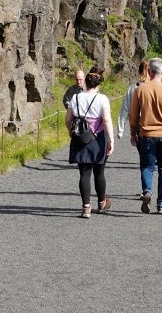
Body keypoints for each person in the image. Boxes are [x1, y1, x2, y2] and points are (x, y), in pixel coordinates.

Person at [129, 58, 162, 215]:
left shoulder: (140, 90)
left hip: (146, 134)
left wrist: (133, 133)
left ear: (148, 71)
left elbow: (133, 116)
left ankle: (147, 191)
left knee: (147, 166)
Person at [67, 69, 114, 218]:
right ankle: (101, 203)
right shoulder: (102, 99)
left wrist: (71, 132)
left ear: (85, 83)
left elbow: (68, 120)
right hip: (98, 138)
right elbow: (106, 120)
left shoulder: (75, 98)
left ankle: (86, 207)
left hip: (80, 137)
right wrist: (111, 139)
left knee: (84, 173)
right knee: (99, 172)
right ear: (98, 85)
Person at [117, 60, 149, 138]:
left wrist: (120, 130)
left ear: (139, 71)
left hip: (139, 126)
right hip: (154, 126)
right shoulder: (155, 88)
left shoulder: (133, 88)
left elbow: (125, 108)